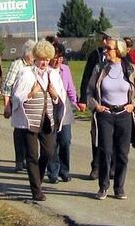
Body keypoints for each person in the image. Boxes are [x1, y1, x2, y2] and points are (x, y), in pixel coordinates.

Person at [87, 37, 135, 200]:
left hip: (124, 115)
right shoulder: (100, 68)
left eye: (109, 49)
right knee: (105, 151)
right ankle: (103, 186)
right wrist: (96, 106)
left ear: (118, 51)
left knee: (122, 154)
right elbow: (90, 91)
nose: (105, 51)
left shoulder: (132, 69)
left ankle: (119, 187)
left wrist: (134, 105)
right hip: (105, 115)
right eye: (105, 49)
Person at [10, 40, 67, 201]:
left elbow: (59, 98)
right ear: (35, 58)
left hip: (47, 121)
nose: (44, 63)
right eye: (41, 59)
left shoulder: (53, 74)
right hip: (29, 121)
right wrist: (31, 93)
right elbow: (17, 96)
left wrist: (54, 94)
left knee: (48, 152)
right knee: (32, 156)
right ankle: (36, 190)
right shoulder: (26, 73)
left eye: (47, 60)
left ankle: (38, 179)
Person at [79, 28, 118, 179]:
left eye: (107, 38)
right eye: (103, 38)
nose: (103, 41)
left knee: (115, 137)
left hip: (116, 105)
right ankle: (96, 166)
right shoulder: (95, 55)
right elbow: (86, 78)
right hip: (98, 102)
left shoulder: (122, 59)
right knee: (97, 135)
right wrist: (83, 99)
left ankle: (113, 167)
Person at [47, 41, 79, 183]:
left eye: (60, 57)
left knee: (65, 140)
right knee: (52, 141)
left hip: (64, 107)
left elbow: (70, 87)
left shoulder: (65, 69)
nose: (58, 60)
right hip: (48, 107)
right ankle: (53, 171)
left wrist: (75, 102)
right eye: (55, 57)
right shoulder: (45, 70)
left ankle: (64, 170)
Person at [2, 39, 36, 172]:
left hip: (32, 104)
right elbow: (7, 85)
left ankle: (30, 159)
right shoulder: (17, 64)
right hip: (17, 104)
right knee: (19, 132)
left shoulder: (35, 66)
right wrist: (7, 105)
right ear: (27, 54)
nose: (34, 57)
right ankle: (19, 160)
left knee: (30, 132)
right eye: (33, 54)